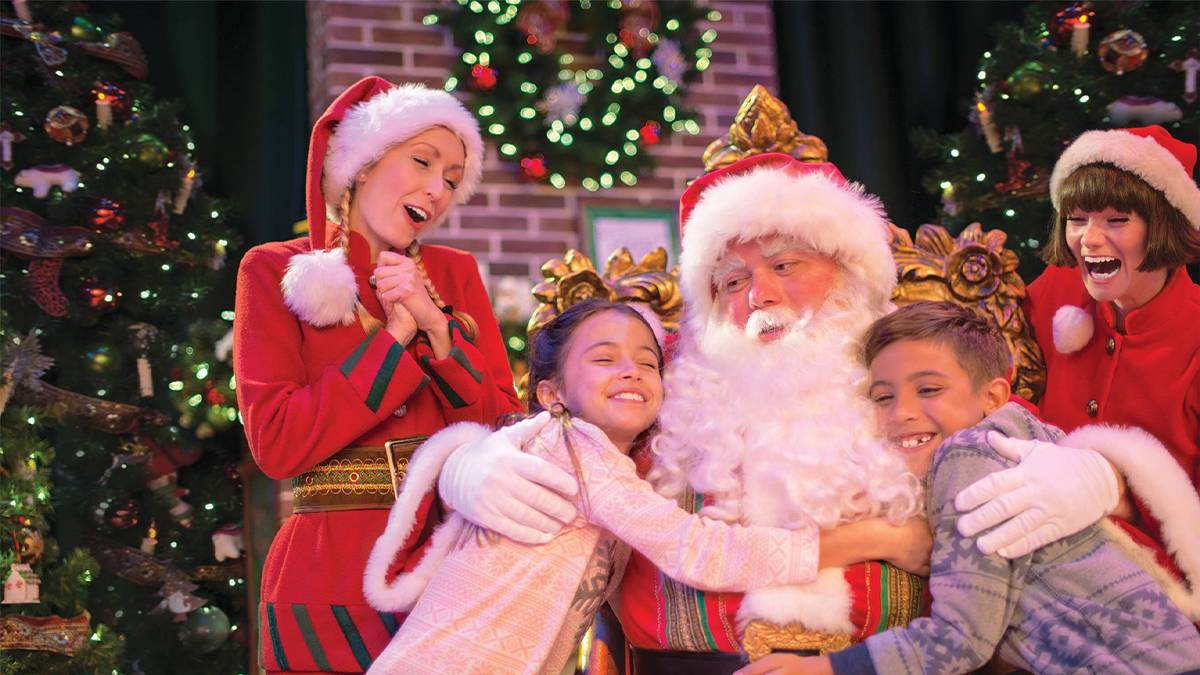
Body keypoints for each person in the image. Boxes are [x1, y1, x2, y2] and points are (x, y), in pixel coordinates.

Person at [437, 154, 935, 671]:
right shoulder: (668, 374)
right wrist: (470, 466)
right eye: (734, 282)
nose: (761, 295)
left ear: (849, 267)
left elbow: (1003, 427)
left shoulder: (923, 362)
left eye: (784, 265)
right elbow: (546, 424)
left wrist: (1029, 472)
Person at [363, 299, 929, 675]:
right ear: (551, 394)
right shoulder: (575, 450)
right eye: (604, 359)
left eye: (648, 362)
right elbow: (701, 552)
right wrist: (877, 540)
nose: (631, 370)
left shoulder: (592, 456)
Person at [736, 301, 1200, 675]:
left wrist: (825, 669)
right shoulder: (1029, 440)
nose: (901, 413)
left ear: (993, 397)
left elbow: (960, 641)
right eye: (883, 397)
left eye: (929, 390)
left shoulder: (967, 458)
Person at [233, 77, 521, 672]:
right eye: (422, 161)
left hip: (449, 565)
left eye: (451, 177)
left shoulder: (455, 274)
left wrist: (437, 330)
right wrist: (393, 341)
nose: (437, 189)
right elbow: (278, 444)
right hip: (327, 575)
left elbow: (502, 433)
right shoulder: (273, 270)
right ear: (362, 166)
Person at [950, 127, 1200, 612]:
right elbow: (1000, 377)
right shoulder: (1058, 290)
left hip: (1151, 572)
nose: (1089, 238)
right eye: (1078, 218)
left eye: (1116, 219)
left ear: (1165, 224)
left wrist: (1111, 493)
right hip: (1031, 527)